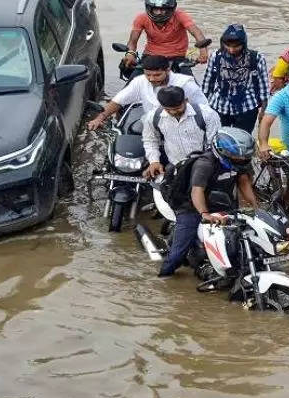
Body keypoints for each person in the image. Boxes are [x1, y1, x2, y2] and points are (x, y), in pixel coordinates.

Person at [157, 127, 259, 278]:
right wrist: (205, 214)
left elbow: (244, 183)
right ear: (223, 153)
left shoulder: (241, 162)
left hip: (221, 202)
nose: (242, 161)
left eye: (245, 158)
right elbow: (196, 191)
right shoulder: (205, 164)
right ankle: (165, 273)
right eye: (238, 158)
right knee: (177, 255)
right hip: (191, 206)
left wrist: (255, 207)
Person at [86, 55, 210, 131]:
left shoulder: (185, 84)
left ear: (167, 71)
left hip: (183, 126)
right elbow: (118, 101)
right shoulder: (140, 81)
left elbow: (205, 109)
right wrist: (100, 118)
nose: (151, 79)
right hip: (152, 126)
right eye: (148, 75)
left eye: (157, 75)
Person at [140, 86, 221, 180]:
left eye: (178, 108)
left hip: (203, 165)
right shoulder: (153, 117)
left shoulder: (207, 114)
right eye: (168, 109)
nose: (173, 112)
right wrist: (154, 161)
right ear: (161, 106)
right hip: (174, 165)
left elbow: (216, 143)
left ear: (186, 100)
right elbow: (150, 140)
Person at [201, 24, 268, 133]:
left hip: (247, 107)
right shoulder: (215, 56)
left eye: (236, 46)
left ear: (244, 43)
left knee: (242, 142)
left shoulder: (256, 58)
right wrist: (203, 109)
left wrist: (263, 111)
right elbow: (207, 83)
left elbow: (263, 87)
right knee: (218, 139)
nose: (231, 50)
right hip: (219, 106)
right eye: (228, 45)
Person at [124, 0, 209, 69]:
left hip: (178, 56)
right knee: (132, 78)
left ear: (171, 9)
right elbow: (132, 41)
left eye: (163, 9)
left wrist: (203, 50)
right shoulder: (141, 18)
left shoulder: (180, 15)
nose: (159, 13)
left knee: (189, 83)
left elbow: (196, 32)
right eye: (155, 9)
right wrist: (130, 53)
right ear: (150, 9)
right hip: (151, 55)